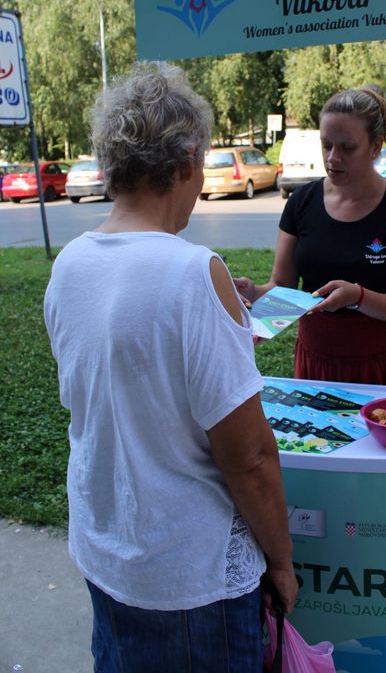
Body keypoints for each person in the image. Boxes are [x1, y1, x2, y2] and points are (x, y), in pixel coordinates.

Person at [44, 63, 297, 673]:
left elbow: (114, 392)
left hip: (106, 553)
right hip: (188, 578)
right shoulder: (192, 272)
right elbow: (249, 457)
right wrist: (282, 563)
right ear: (186, 161)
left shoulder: (70, 264)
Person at [235, 86, 386, 386]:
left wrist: (358, 296)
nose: (332, 157)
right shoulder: (301, 202)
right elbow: (283, 286)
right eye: (326, 145)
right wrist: (255, 293)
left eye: (347, 148)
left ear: (376, 146)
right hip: (316, 360)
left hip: (380, 364)